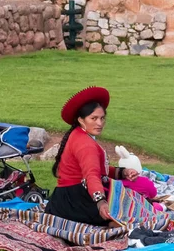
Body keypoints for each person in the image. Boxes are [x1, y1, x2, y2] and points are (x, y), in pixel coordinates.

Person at [45, 86, 143, 226]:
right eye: (94, 118)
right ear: (81, 120)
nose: (99, 123)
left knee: (132, 199)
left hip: (64, 198)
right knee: (132, 215)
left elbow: (96, 167)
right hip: (76, 201)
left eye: (102, 118)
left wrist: (122, 172)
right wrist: (100, 202)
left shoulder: (79, 135)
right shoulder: (86, 144)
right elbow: (91, 175)